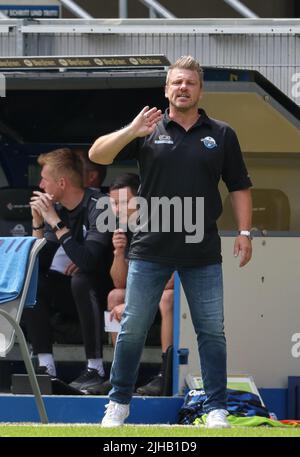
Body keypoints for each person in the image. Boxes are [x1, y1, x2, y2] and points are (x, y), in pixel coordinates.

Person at [89, 55, 252, 428]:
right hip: (150, 246)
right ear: (166, 89)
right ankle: (118, 404)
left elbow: (240, 186)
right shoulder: (146, 128)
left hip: (202, 249)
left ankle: (215, 408)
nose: (182, 88)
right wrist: (131, 131)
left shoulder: (222, 133)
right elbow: (96, 155)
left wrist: (244, 232)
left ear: (200, 90)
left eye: (189, 83)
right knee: (132, 327)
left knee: (211, 331)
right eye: (176, 82)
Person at [25, 148, 113, 393]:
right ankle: (45, 366)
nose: (41, 185)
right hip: (71, 292)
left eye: (45, 179)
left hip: (103, 290)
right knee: (34, 282)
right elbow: (37, 263)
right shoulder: (58, 210)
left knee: (82, 279)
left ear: (61, 183)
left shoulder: (101, 204)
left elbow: (88, 262)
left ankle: (95, 368)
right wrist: (38, 223)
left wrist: (55, 222)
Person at [88, 173, 174, 396]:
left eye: (124, 202)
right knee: (115, 296)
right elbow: (119, 281)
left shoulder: (161, 224)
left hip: (168, 298)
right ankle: (119, 374)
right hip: (145, 296)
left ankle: (166, 373)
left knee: (167, 298)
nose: (118, 209)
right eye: (114, 204)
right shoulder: (124, 228)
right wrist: (118, 252)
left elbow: (174, 278)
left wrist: (134, 305)